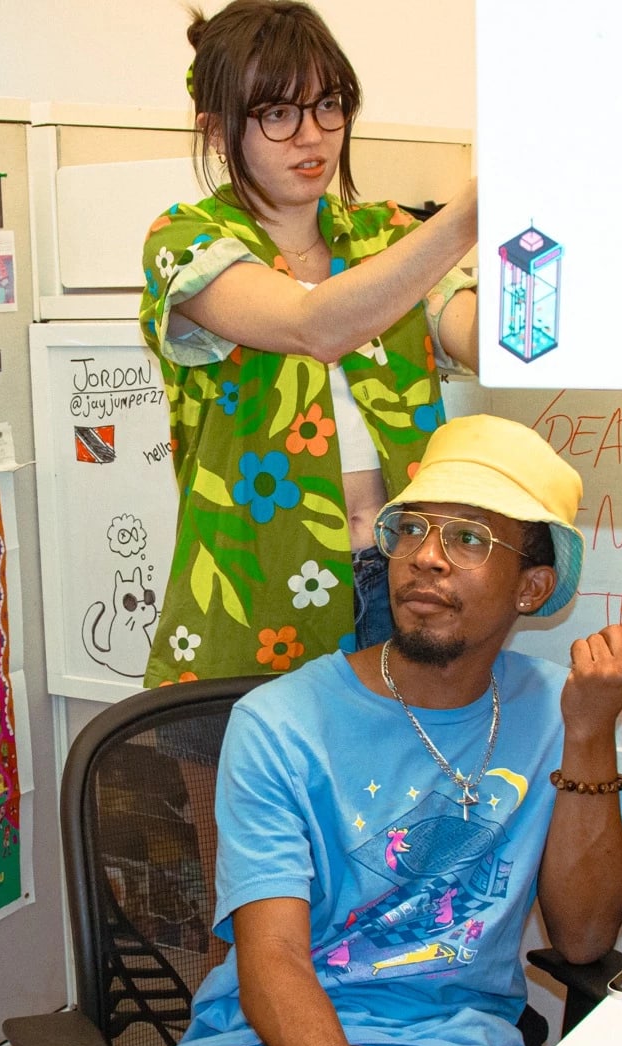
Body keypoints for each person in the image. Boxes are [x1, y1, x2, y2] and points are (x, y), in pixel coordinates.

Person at [129, 415, 622, 1046]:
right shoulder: (279, 722)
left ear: (531, 587)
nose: (425, 557)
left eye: (468, 537)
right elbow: (273, 961)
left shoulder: (562, 713)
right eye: (411, 529)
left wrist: (591, 735)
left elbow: (584, 939)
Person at [141, 0, 480, 686]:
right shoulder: (186, 242)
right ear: (216, 129)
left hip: (407, 575)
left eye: (329, 105)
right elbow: (314, 326)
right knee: (265, 755)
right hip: (261, 581)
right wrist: (465, 219)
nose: (312, 135)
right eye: (277, 114)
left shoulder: (385, 236)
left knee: (409, 755)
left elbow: (476, 338)